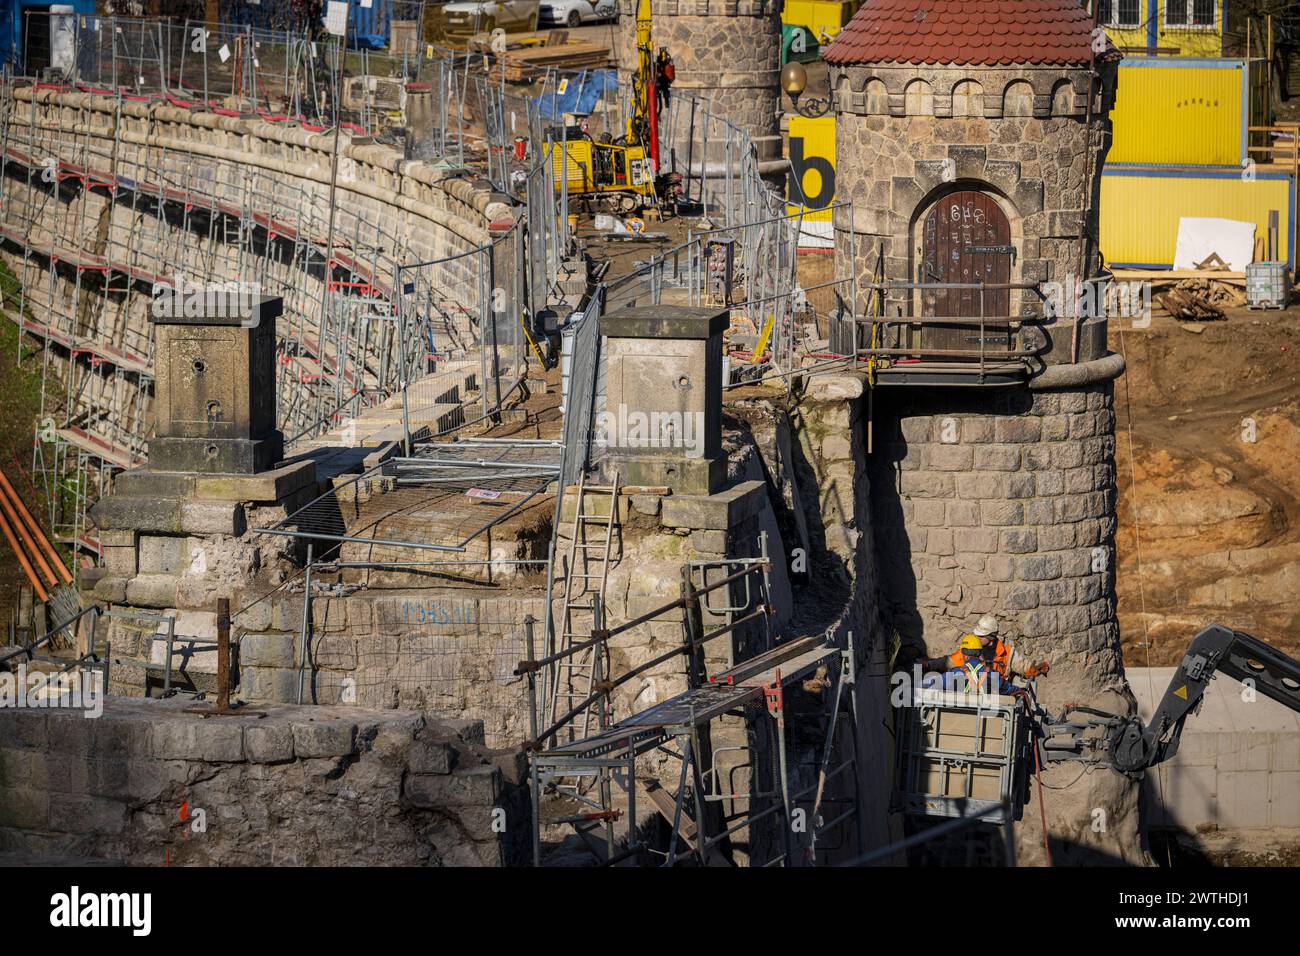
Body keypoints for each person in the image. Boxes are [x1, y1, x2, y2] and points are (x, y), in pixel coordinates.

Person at [922, 615, 1050, 681]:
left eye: (980, 635)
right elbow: (948, 661)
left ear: (990, 637)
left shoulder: (1007, 653)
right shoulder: (971, 651)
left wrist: (1035, 669)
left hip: (997, 696)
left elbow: (1024, 667)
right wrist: (929, 665)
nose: (976, 637)